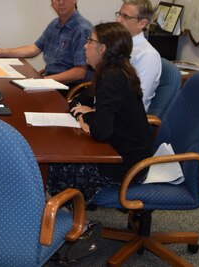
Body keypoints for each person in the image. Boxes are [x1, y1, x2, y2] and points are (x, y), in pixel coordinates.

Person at [46, 22, 153, 264]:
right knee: (61, 163)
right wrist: (83, 110)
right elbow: (85, 100)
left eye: (89, 41)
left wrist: (86, 115)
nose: (85, 46)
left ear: (103, 48)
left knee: (57, 169)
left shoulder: (111, 77)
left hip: (126, 165)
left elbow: (101, 131)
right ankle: (72, 222)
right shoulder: (114, 71)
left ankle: (81, 227)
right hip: (124, 152)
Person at [0, 0, 92, 86]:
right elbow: (34, 49)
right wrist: (2, 52)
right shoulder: (54, 24)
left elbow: (80, 72)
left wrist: (45, 80)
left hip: (67, 86)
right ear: (52, 3)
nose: (61, 3)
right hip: (50, 80)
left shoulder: (82, 29)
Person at [116, 0, 161, 112]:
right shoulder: (122, 45)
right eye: (119, 14)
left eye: (125, 16)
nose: (118, 20)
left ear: (142, 23)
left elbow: (135, 101)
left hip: (126, 120)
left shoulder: (147, 56)